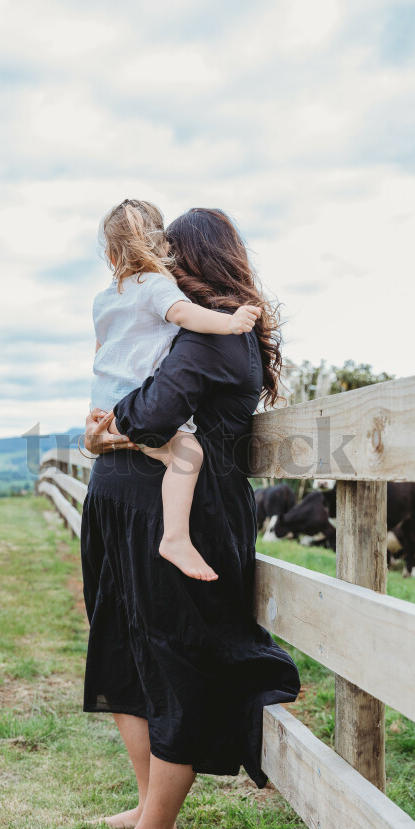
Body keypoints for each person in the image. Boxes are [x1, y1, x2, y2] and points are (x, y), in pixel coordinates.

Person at [66, 208, 300, 829]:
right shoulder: (177, 327)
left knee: (171, 659)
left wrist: (104, 431)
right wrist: (109, 433)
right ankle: (149, 809)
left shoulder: (212, 336)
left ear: (193, 258)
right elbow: (135, 406)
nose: (164, 262)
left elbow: (151, 414)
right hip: (127, 497)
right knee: (123, 650)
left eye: (174, 253)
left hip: (169, 508)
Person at [92, 198, 262, 581]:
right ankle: (176, 538)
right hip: (142, 513)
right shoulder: (169, 301)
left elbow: (102, 352)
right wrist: (232, 322)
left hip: (111, 476)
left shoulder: (105, 300)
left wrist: (103, 433)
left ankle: (175, 539)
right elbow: (152, 415)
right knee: (187, 452)